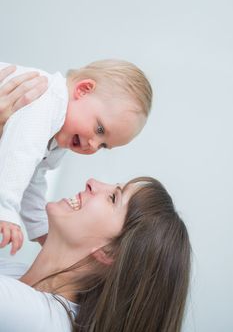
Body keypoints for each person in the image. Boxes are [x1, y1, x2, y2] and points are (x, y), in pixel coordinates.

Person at [0, 176, 191, 332]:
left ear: (110, 253)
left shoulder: (33, 316)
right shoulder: (16, 275)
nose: (91, 182)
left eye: (113, 198)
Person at [0, 60, 152, 254]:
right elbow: (20, 154)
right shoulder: (47, 101)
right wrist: (6, 210)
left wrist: (40, 228)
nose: (94, 145)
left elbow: (32, 178)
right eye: (100, 129)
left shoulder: (56, 138)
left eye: (104, 145)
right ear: (83, 90)